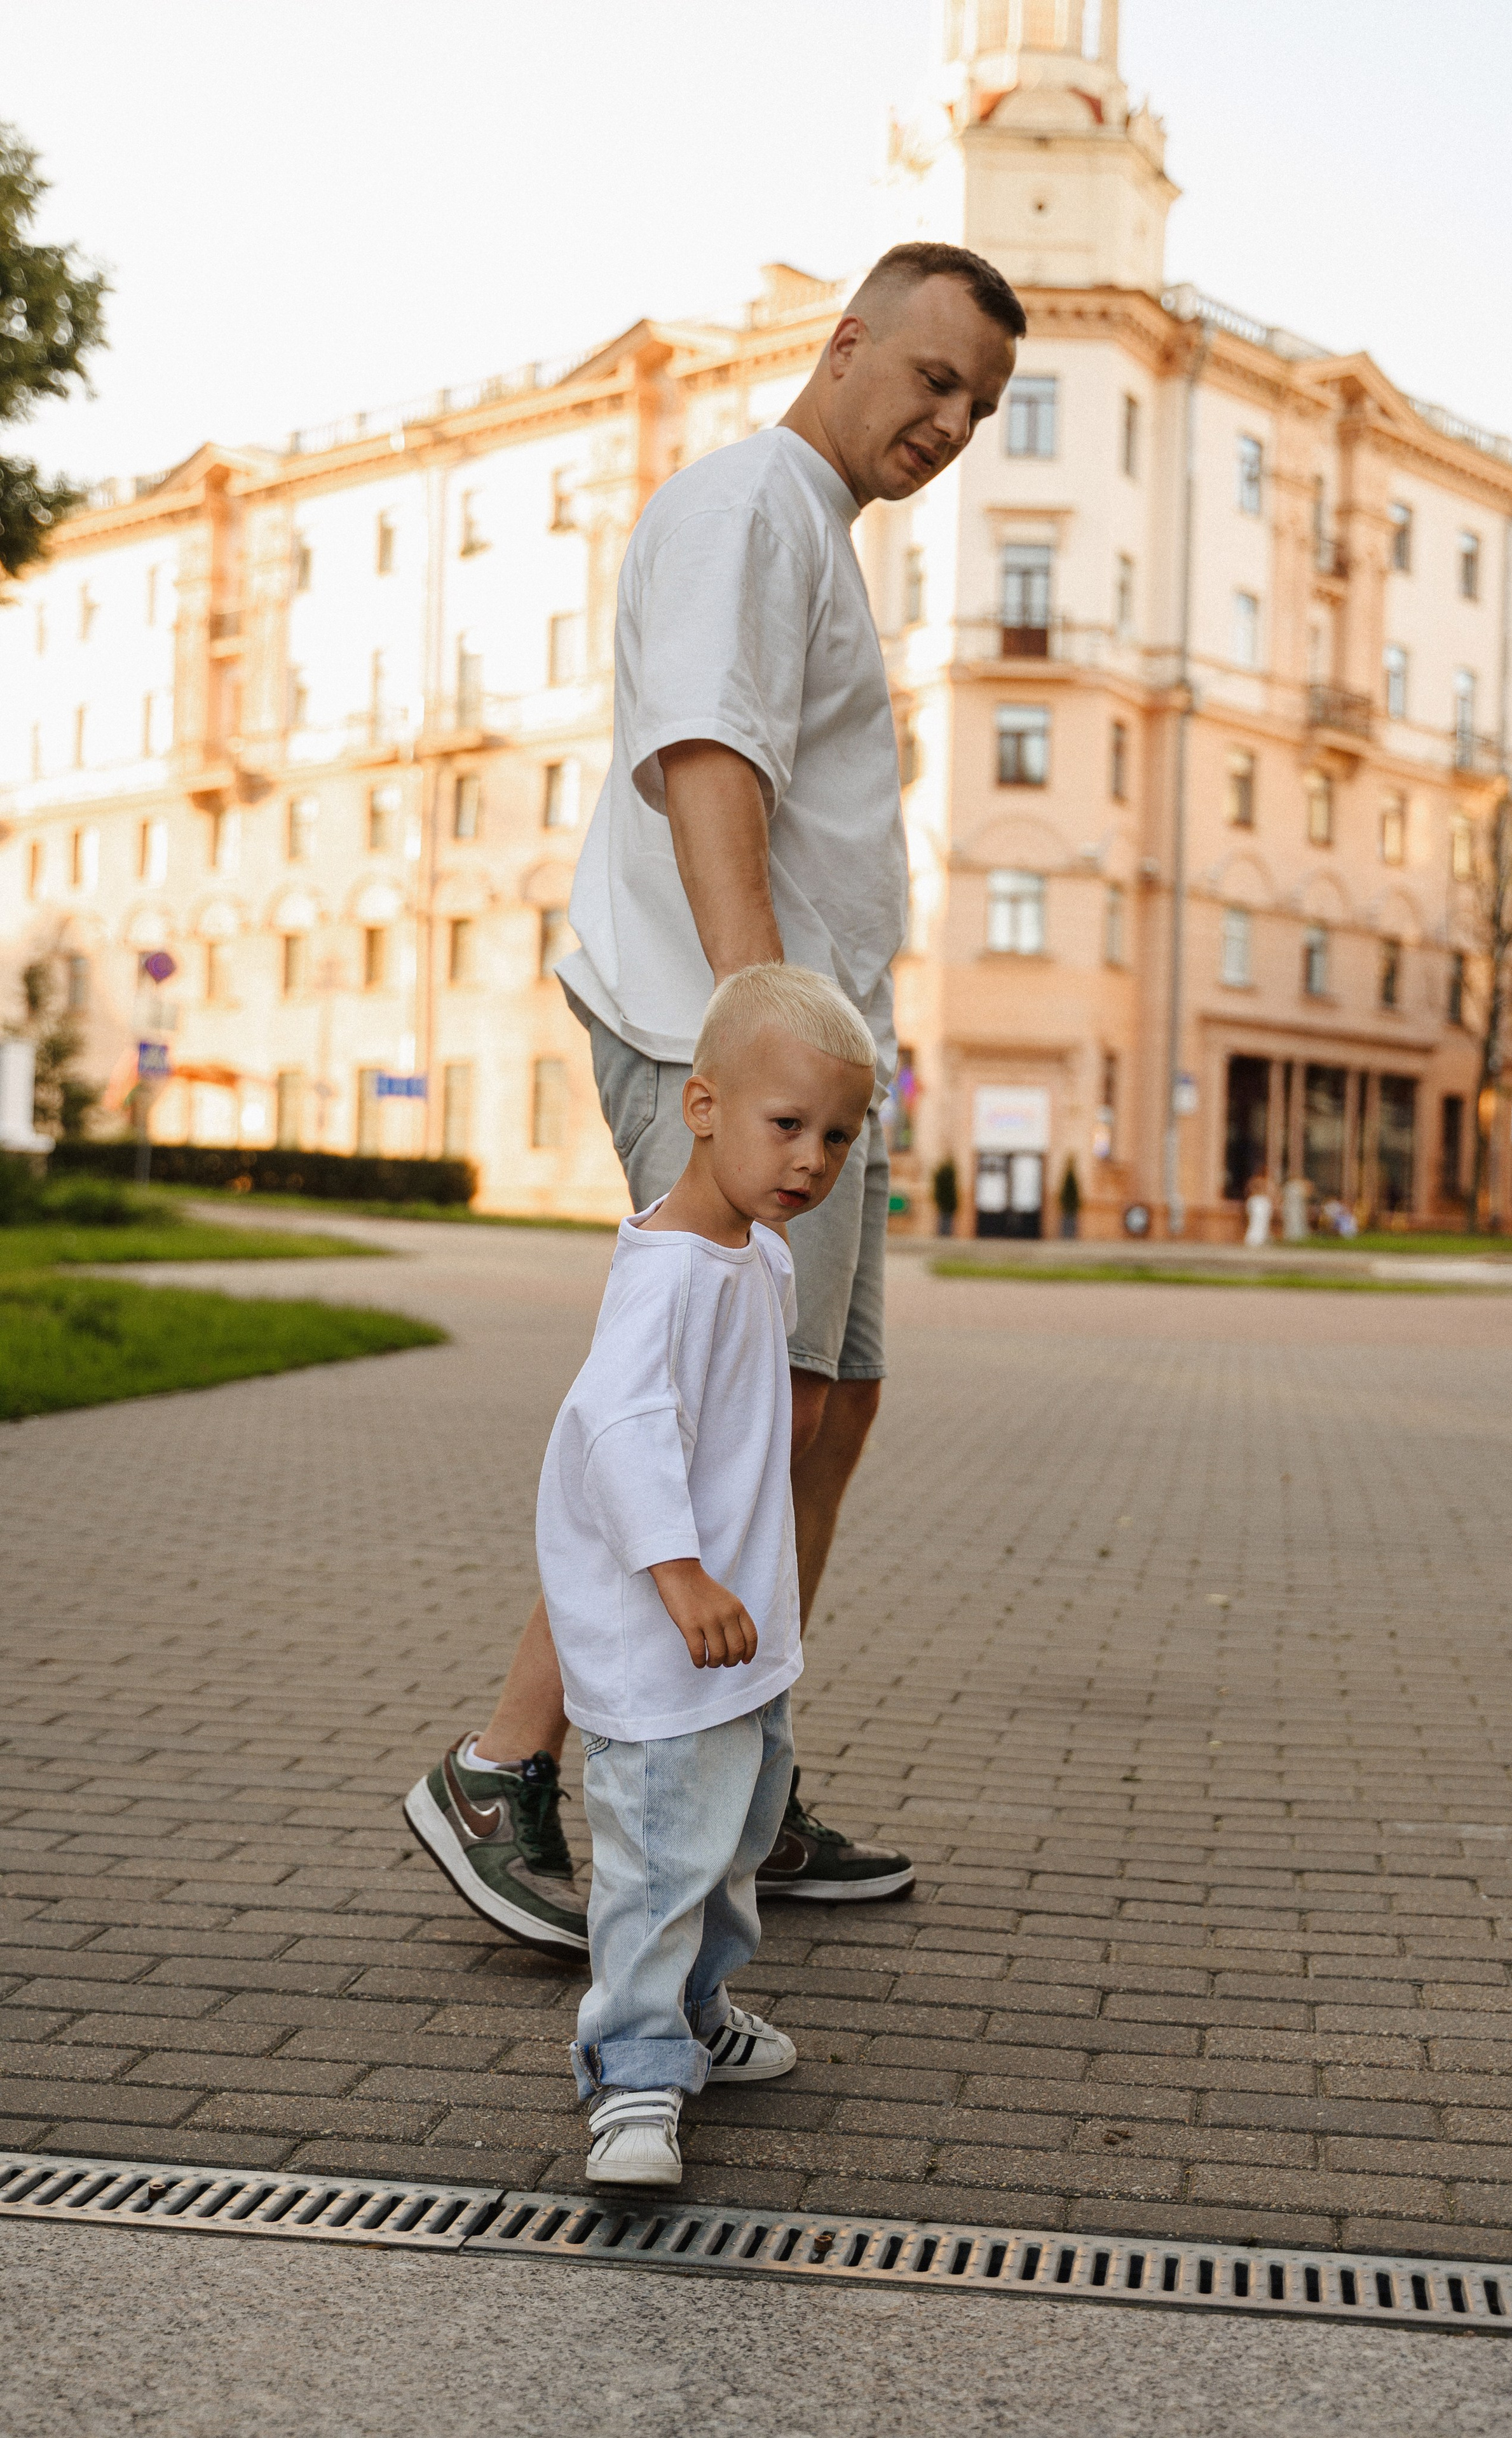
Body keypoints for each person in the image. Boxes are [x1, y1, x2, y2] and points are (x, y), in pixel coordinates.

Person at [404, 240, 1023, 1955]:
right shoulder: (753, 506)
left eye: (978, 401)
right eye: (932, 376)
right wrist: (762, 1047)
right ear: (845, 343)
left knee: (830, 1408)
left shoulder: (808, 534)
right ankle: (502, 1764)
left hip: (797, 1058)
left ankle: (743, 1767)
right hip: (728, 1045)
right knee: (714, 1404)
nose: (952, 419)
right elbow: (708, 762)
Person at [547, 965, 876, 2186]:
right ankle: (632, 2077)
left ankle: (694, 2017)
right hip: (665, 1635)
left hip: (744, 1641)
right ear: (701, 1106)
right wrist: (680, 1576)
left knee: (731, 1843)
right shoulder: (669, 1268)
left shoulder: (761, 1256)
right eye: (785, 1126)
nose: (811, 1160)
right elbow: (622, 1428)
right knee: (655, 1857)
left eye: (836, 1136)